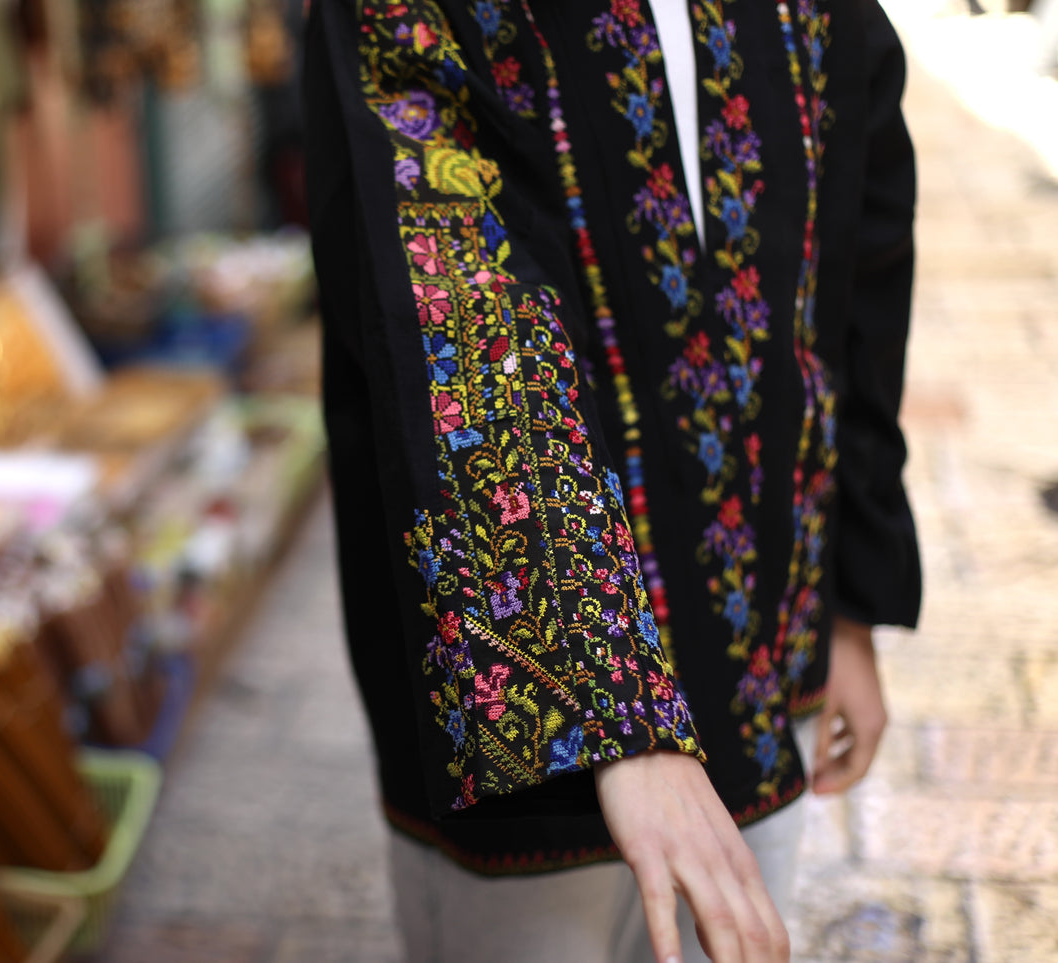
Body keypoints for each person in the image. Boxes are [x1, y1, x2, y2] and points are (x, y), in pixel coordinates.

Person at [303, 0, 921, 960]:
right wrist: (607, 710)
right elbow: (454, 289)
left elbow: (855, 256)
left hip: (767, 638)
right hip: (525, 713)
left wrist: (850, 602)